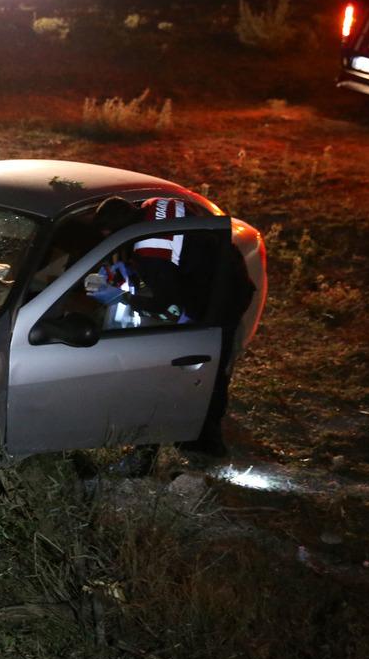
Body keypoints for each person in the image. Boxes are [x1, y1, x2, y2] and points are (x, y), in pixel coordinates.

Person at [86, 196, 254, 461]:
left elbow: (168, 308)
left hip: (220, 295)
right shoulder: (154, 204)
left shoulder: (151, 253)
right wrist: (132, 271)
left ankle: (205, 446)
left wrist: (120, 297)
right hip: (226, 267)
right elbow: (175, 258)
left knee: (207, 370)